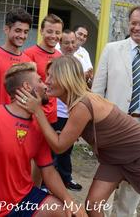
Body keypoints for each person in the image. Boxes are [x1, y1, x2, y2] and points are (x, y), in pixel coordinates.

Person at [16, 56, 140, 217]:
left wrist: (38, 111)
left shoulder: (82, 104)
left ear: (66, 78)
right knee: (93, 206)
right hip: (114, 158)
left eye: (52, 76)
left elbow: (60, 146)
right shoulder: (78, 101)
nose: (47, 81)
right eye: (46, 75)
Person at [0, 63, 85, 217]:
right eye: (40, 81)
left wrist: (69, 201)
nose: (45, 85)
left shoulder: (39, 127)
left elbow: (48, 171)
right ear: (27, 86)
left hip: (24, 198)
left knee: (66, 212)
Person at [91, 6, 140, 216]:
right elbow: (97, 93)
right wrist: (95, 130)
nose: (137, 28)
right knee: (103, 192)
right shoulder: (111, 49)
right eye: (133, 23)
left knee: (131, 193)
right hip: (113, 129)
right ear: (129, 24)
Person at [0, 9, 32, 109]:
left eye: (25, 32)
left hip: (16, 120)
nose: (22, 36)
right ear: (6, 29)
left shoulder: (28, 62)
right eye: (18, 31)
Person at [53, 29, 83, 191]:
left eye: (73, 42)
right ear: (60, 43)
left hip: (72, 112)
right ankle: (46, 182)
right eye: (67, 43)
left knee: (67, 149)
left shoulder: (79, 61)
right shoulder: (55, 61)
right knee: (53, 149)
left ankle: (66, 178)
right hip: (55, 112)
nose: (71, 46)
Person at [24, 14, 63, 124]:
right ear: (41, 31)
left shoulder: (60, 56)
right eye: (49, 31)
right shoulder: (29, 54)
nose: (53, 36)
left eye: (57, 32)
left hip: (53, 116)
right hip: (33, 116)